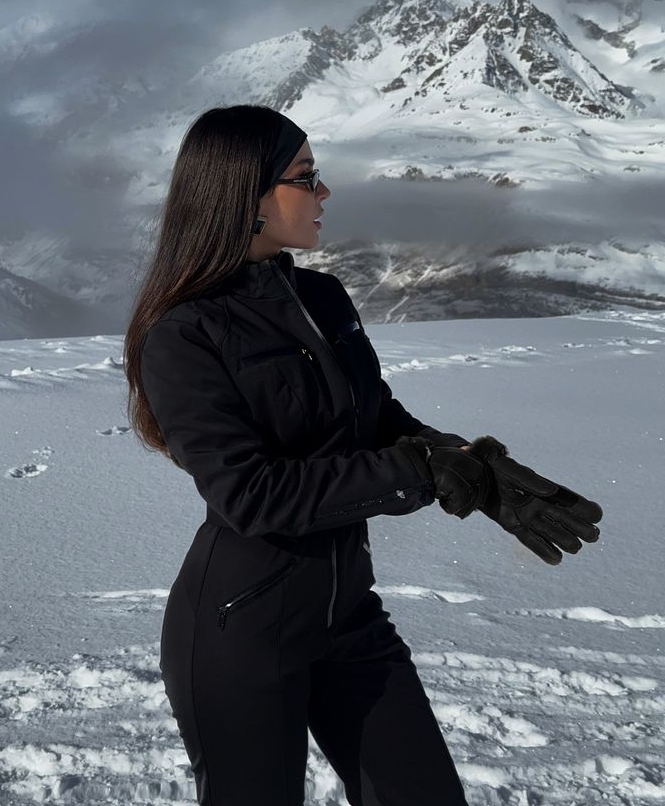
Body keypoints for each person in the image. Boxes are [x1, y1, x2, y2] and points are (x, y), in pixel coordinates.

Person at [123, 104, 603, 806]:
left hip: (348, 616)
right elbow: (251, 495)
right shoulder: (186, 333)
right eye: (306, 178)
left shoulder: (320, 294)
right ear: (244, 195)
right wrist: (419, 472)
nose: (325, 194)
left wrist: (477, 470)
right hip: (240, 632)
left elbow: (375, 419)